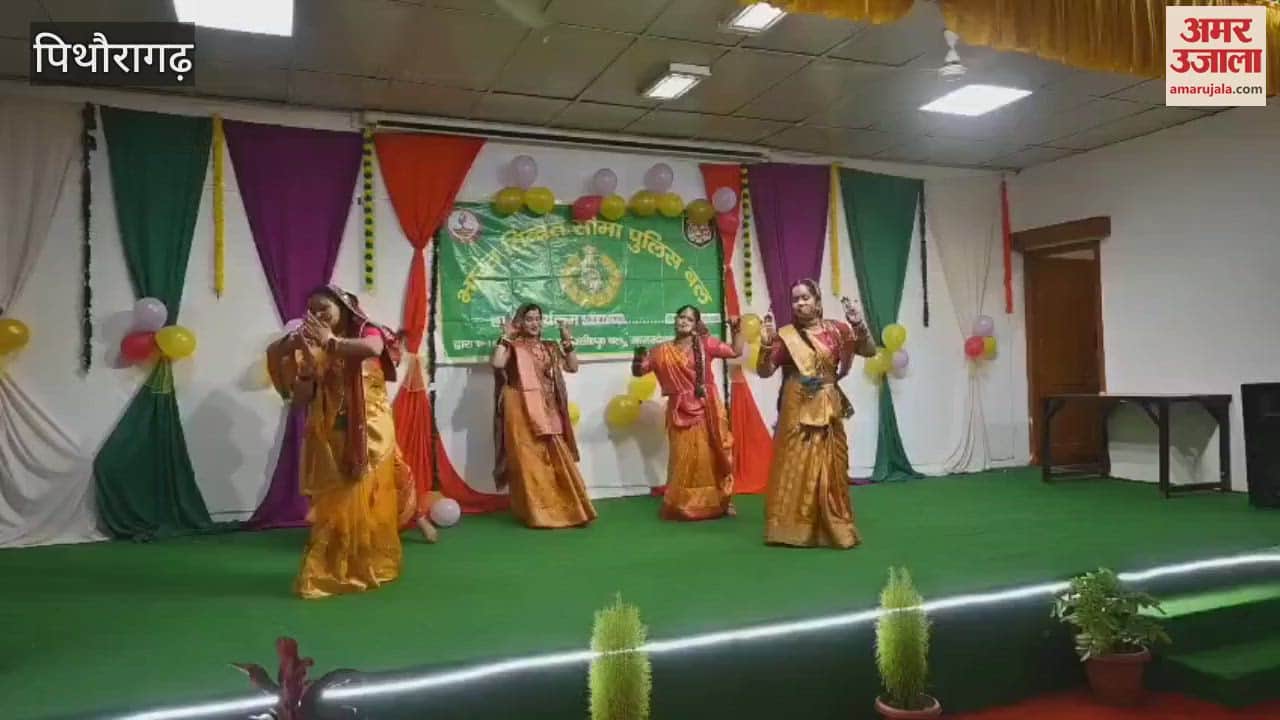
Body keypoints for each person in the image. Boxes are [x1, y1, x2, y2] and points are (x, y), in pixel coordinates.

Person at [266, 285, 436, 600]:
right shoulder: (314, 347)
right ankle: (333, 567)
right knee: (337, 503)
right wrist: (302, 367)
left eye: (324, 308)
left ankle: (371, 562)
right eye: (312, 310)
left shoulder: (366, 330)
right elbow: (300, 401)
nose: (317, 315)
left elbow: (372, 349)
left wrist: (332, 344)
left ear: (343, 307)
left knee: (371, 496)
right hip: (332, 434)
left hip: (371, 431)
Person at [756, 279, 876, 549]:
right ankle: (791, 527)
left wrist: (857, 323)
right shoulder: (787, 337)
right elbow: (764, 372)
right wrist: (765, 345)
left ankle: (831, 522)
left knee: (832, 462)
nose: (800, 303)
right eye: (795, 299)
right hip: (797, 404)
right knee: (796, 463)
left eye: (805, 298)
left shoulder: (838, 330)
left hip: (829, 402)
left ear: (818, 301)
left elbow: (869, 350)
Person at [632, 306, 744, 520]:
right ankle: (683, 503)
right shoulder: (661, 350)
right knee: (682, 457)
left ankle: (719, 501)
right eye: (680, 317)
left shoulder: (705, 344)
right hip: (679, 410)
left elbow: (735, 352)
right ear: (675, 321)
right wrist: (637, 357)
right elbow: (639, 372)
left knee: (711, 455)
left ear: (696, 324)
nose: (683, 321)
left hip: (706, 407)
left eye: (689, 319)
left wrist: (736, 330)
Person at [490, 303, 597, 529]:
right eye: (529, 319)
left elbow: (573, 367)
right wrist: (505, 338)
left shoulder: (549, 346)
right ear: (520, 322)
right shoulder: (514, 346)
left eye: (538, 319)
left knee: (555, 456)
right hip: (519, 409)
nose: (534, 323)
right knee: (529, 462)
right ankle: (537, 513)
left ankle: (566, 508)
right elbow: (497, 363)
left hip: (547, 408)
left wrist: (568, 342)